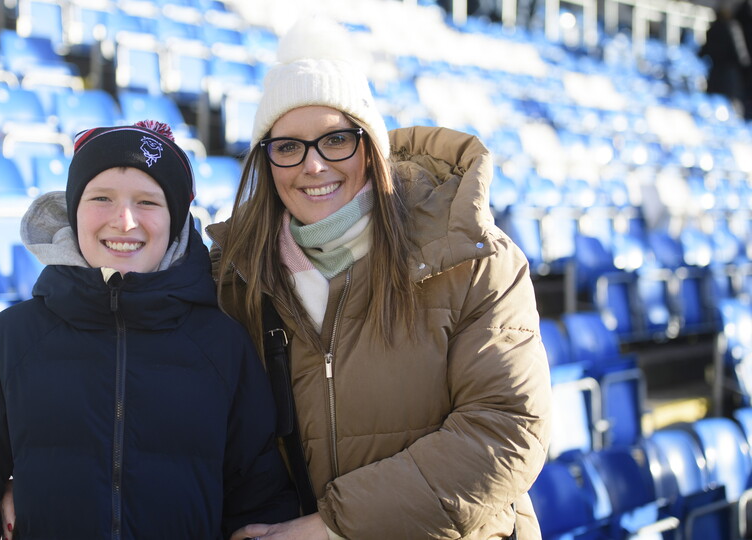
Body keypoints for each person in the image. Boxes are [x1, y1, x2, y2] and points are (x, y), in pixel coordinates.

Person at [207, 18, 552, 540]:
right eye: (288, 147)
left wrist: (330, 529)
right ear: (267, 161)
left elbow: (506, 430)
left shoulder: (473, 255)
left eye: (336, 140)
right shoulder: (238, 279)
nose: (314, 165)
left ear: (369, 145)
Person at [0, 120, 299, 539]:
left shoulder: (222, 345)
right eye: (102, 198)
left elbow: (259, 500)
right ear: (73, 210)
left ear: (177, 221)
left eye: (148, 202)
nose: (124, 220)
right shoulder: (13, 338)